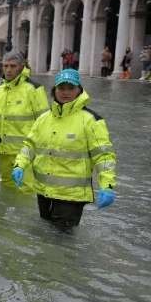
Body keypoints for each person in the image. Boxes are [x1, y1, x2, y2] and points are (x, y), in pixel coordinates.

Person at [13, 69, 116, 231]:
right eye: (62, 88)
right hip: (44, 192)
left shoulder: (91, 121)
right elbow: (29, 146)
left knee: (61, 242)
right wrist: (19, 165)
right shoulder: (43, 119)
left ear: (79, 90)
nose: (66, 92)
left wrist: (107, 186)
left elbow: (104, 157)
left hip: (71, 196)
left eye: (71, 88)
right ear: (54, 90)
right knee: (45, 235)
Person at [0, 51, 48, 189]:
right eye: (5, 66)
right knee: (7, 187)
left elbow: (45, 122)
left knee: (25, 189)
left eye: (12, 66)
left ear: (21, 66)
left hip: (25, 153)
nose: (8, 70)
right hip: (3, 153)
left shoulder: (33, 89)